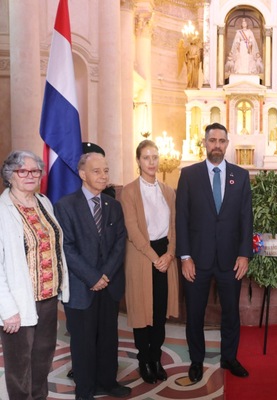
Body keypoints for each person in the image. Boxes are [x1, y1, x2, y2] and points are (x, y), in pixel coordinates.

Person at [176, 122, 253, 383]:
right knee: (195, 313)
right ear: (204, 143)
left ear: (227, 144)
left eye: (221, 141)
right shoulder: (189, 175)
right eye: (212, 141)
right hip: (197, 260)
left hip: (231, 260)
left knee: (231, 312)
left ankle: (229, 357)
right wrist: (184, 257)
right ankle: (196, 360)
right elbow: (182, 219)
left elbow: (246, 218)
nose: (217, 145)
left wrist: (244, 254)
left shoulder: (240, 176)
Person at [54, 152, 129, 400]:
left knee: (108, 338)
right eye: (97, 171)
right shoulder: (65, 205)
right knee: (83, 342)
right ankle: (85, 390)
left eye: (106, 170)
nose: (103, 175)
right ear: (83, 174)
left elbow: (120, 242)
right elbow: (67, 247)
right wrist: (92, 277)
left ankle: (108, 381)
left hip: (109, 285)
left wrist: (105, 275)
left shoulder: (113, 205)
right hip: (81, 287)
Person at [0, 150, 70, 399]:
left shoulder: (44, 202)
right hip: (19, 303)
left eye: (35, 171)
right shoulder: (2, 210)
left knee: (43, 358)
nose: (30, 175)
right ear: (10, 175)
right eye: (23, 171)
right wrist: (7, 309)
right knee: (20, 366)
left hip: (48, 297)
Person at [121, 140, 179, 384]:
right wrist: (156, 259)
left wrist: (170, 254)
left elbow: (175, 226)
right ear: (138, 161)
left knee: (158, 311)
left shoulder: (168, 191)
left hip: (165, 255)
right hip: (141, 256)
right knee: (141, 310)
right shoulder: (129, 191)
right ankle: (144, 359)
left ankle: (156, 357)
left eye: (155, 157)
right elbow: (133, 231)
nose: (152, 162)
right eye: (146, 157)